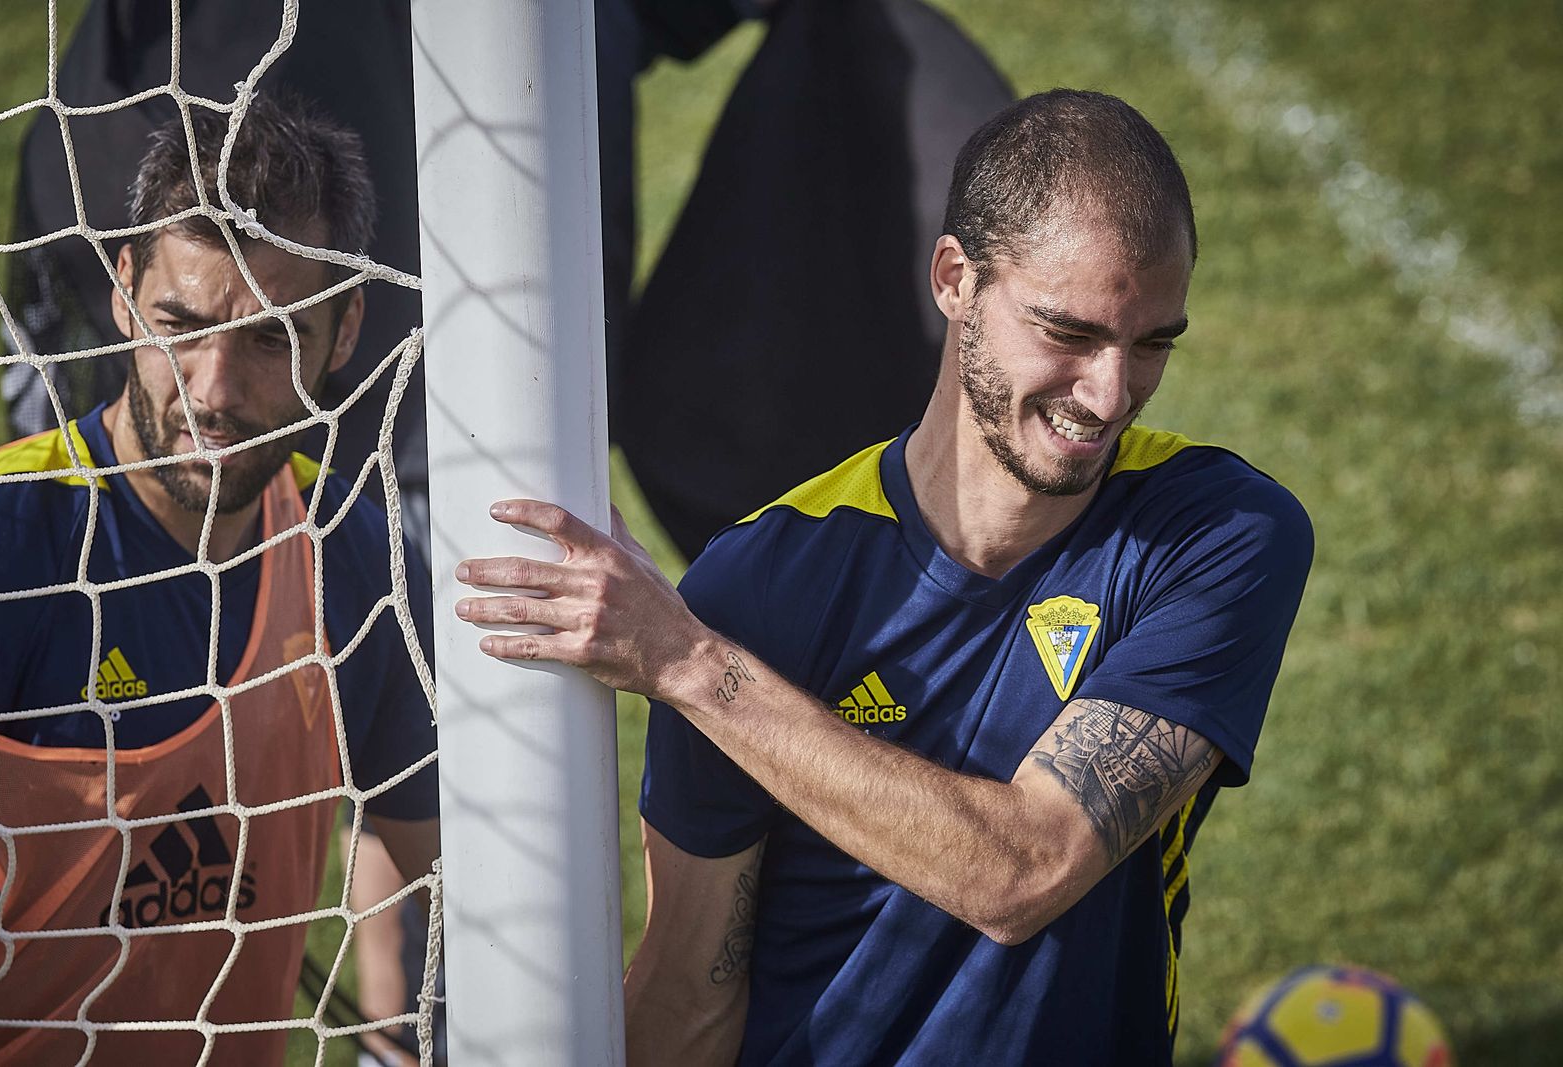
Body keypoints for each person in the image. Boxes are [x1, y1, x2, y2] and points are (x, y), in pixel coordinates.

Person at [452, 89, 1315, 1064]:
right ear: (955, 278)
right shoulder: (761, 586)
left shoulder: (1217, 532)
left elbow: (1026, 868)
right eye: (1070, 333)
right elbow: (695, 983)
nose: (1109, 392)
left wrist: (690, 665)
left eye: (1151, 342)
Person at [0, 96, 439, 1065]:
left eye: (269, 340)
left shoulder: (355, 553)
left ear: (345, 332)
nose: (214, 392)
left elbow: (468, 879)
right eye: (180, 324)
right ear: (125, 287)